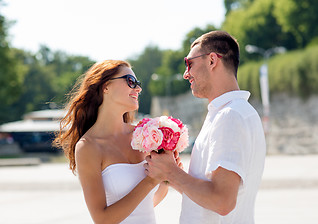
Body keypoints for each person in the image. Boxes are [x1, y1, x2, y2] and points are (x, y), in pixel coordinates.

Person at [144, 30, 266, 223]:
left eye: (189, 63)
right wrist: (174, 174)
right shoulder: (233, 113)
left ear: (212, 60)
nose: (186, 74)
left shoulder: (230, 116)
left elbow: (222, 202)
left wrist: (171, 172)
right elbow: (208, 200)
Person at [54, 60, 169, 224]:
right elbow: (102, 219)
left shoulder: (145, 134)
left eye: (138, 83)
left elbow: (145, 204)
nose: (138, 88)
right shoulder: (88, 146)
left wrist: (165, 178)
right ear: (106, 86)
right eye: (131, 81)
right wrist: (151, 181)